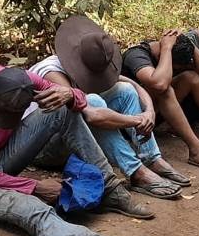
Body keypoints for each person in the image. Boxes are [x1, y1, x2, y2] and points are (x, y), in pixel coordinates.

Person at [0, 67, 155, 236]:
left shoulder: (20, 80)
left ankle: (110, 190)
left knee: (62, 109)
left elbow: (81, 104)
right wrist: (33, 187)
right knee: (31, 208)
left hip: (1, 156)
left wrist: (70, 94)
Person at [29, 16, 187, 199]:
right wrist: (137, 120)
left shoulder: (92, 62)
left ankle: (152, 158)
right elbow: (92, 115)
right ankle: (136, 172)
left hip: (74, 137)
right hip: (44, 148)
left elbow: (132, 86)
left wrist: (149, 112)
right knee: (93, 101)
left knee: (124, 90)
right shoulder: (51, 72)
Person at [121, 31, 199, 171]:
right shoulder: (136, 55)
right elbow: (159, 84)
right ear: (161, 55)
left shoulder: (172, 47)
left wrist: (187, 41)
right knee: (164, 89)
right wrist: (166, 49)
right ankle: (196, 150)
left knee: (193, 78)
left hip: (153, 114)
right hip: (131, 122)